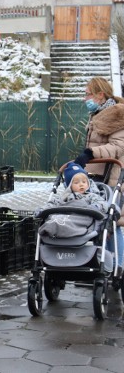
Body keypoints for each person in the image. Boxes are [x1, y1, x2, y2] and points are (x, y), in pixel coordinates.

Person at [74, 77, 124, 277]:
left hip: (112, 177)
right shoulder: (98, 113)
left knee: (113, 222)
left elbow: (119, 146)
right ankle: (102, 266)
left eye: (88, 94)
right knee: (99, 221)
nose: (85, 98)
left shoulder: (115, 115)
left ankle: (118, 268)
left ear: (100, 95)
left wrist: (91, 153)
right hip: (98, 177)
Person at [38, 162, 109, 214]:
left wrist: (95, 207)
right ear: (70, 186)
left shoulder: (91, 196)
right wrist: (43, 209)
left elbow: (102, 203)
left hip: (85, 220)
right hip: (67, 220)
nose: (81, 184)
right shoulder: (66, 197)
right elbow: (54, 203)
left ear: (88, 183)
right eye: (76, 183)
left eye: (84, 182)